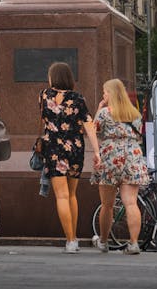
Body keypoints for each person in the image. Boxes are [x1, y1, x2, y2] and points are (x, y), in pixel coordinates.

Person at [39, 61, 101, 252]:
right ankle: (73, 237)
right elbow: (89, 124)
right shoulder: (78, 99)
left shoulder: (44, 95)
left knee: (62, 196)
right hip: (75, 148)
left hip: (53, 148)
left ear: (53, 77)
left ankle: (71, 240)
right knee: (72, 194)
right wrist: (97, 151)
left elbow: (43, 119)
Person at [92, 78, 149, 255]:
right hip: (132, 156)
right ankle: (133, 243)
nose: (103, 94)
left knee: (107, 205)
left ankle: (103, 241)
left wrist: (100, 107)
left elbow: (93, 132)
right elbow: (140, 136)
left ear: (111, 94)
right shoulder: (135, 113)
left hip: (110, 157)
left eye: (105, 92)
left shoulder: (104, 112)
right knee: (131, 202)